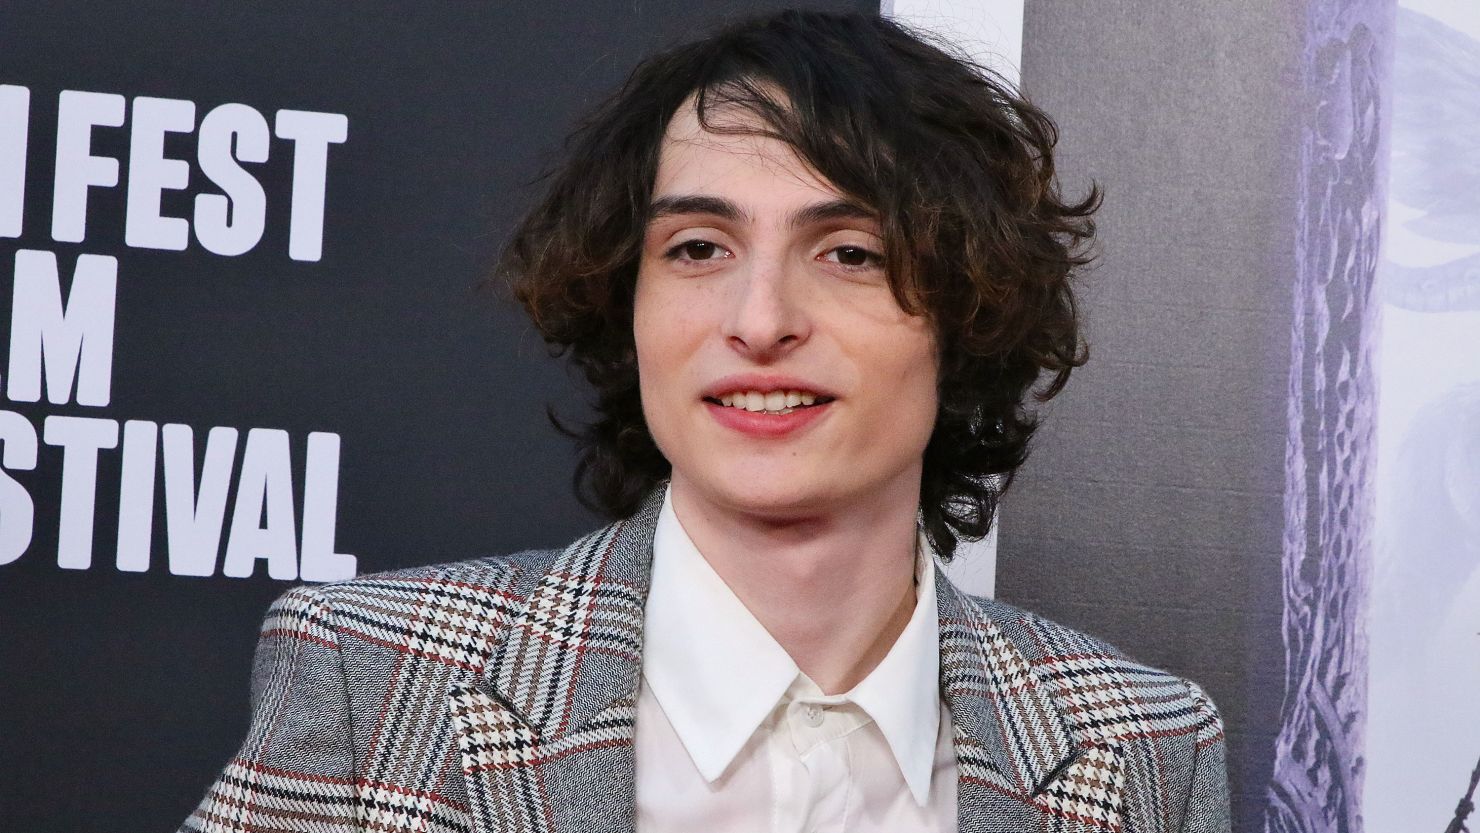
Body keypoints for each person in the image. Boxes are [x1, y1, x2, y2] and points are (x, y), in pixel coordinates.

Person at [181, 10, 1230, 833]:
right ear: (626, 303)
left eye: (850, 253)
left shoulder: (1142, 747)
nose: (761, 320)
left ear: (966, 313)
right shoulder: (377, 679)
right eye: (697, 249)